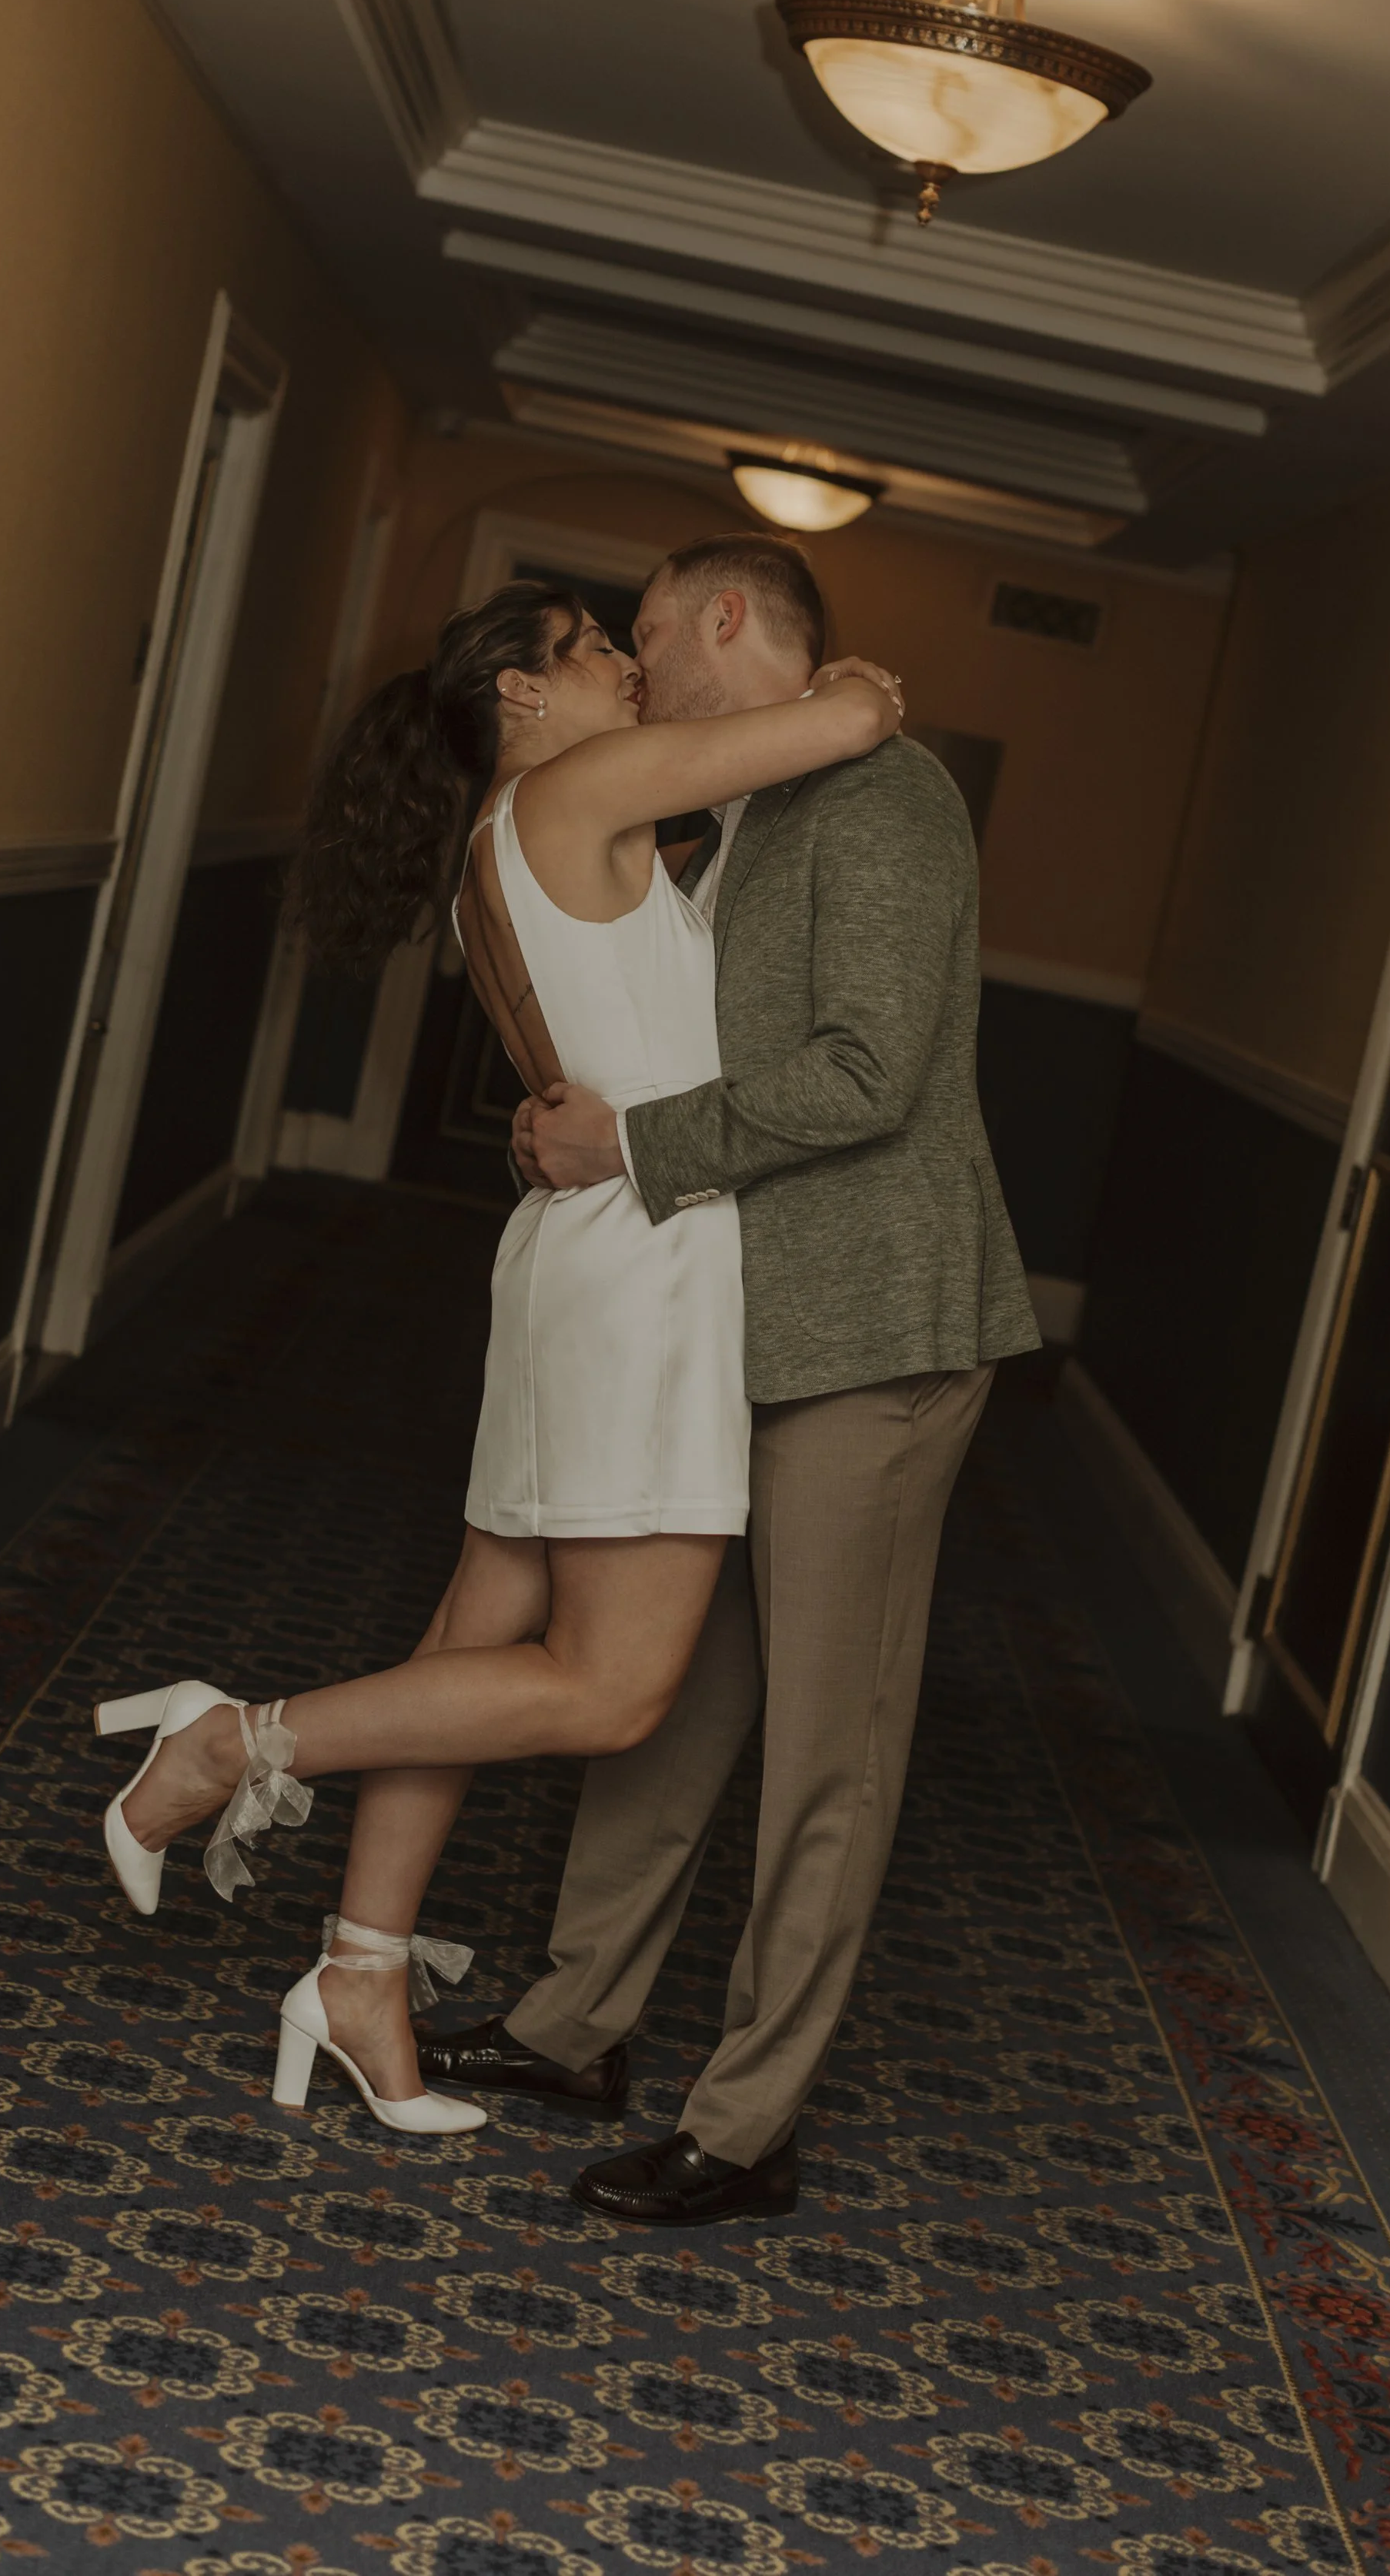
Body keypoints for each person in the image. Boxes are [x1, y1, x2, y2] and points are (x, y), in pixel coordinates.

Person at [91, 575, 904, 2138]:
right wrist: (854, 687)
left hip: (573, 1257)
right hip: (645, 1277)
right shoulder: (584, 788)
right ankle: (234, 1740)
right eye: (596, 648)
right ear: (522, 694)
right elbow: (851, 718)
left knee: (471, 1644)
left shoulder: (501, 839)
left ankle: (360, 1971)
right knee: (610, 1691)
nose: (625, 668)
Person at [417, 533, 1040, 2222]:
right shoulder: (747, 796)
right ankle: (574, 2024)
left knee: (829, 1746)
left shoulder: (888, 796)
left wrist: (629, 1145)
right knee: (671, 1695)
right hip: (744, 1327)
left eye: (645, 633)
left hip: (877, 1333)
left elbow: (868, 1074)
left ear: (721, 619)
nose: (633, 667)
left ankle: (750, 2125)